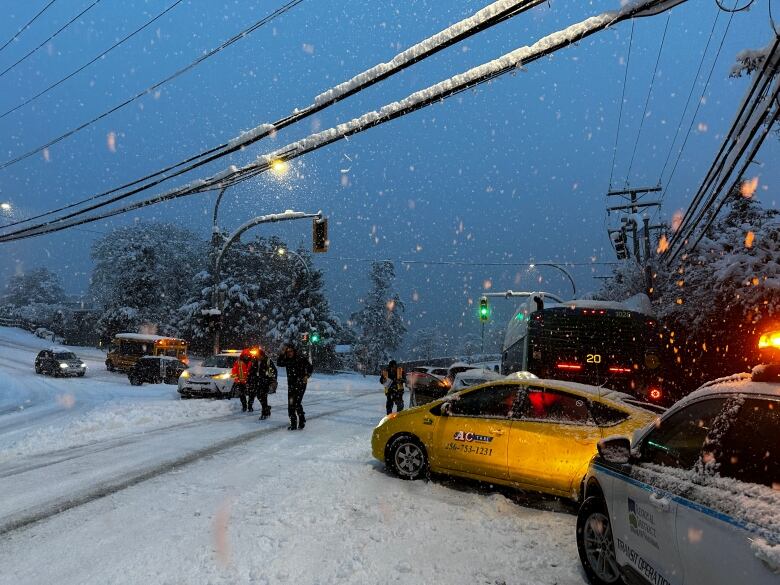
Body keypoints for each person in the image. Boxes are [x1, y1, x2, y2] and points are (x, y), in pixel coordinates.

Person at [277, 343, 313, 430]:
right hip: (291, 385)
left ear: (294, 351)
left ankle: (301, 421)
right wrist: (282, 353)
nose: (289, 353)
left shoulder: (300, 358)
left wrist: (306, 375)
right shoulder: (287, 360)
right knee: (291, 404)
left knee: (297, 403)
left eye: (291, 351)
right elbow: (279, 363)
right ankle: (293, 424)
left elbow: (310, 367)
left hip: (301, 384)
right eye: (287, 351)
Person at [248, 348, 278, 420]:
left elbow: (273, 371)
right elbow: (252, 371)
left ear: (262, 355)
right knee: (259, 396)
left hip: (265, 382)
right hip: (256, 382)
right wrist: (250, 380)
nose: (258, 357)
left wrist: (271, 381)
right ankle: (267, 408)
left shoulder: (267, 361)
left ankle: (264, 413)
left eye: (259, 355)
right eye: (257, 355)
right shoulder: (255, 361)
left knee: (263, 397)